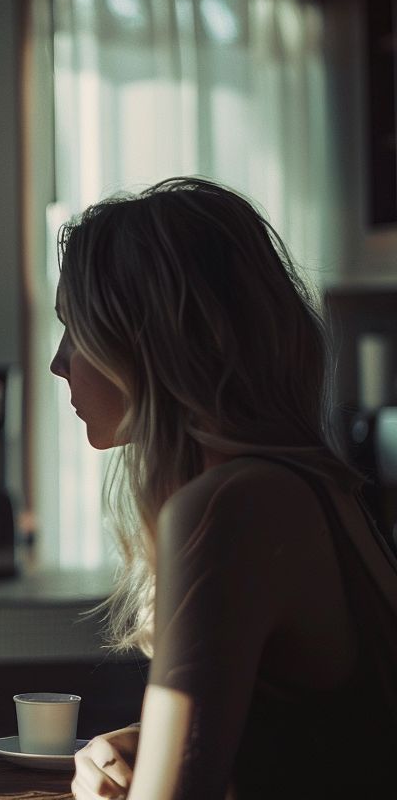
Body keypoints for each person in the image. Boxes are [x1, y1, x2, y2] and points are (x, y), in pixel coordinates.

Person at [48, 178, 397, 800]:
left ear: (142, 341)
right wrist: (150, 738)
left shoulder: (228, 509)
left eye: (75, 329)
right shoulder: (315, 487)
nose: (58, 362)